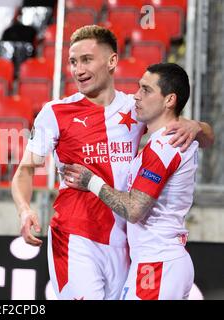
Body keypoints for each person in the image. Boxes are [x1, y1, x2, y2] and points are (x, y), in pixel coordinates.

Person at [11, 25, 214, 300]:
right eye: (73, 61)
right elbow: (25, 168)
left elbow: (202, 136)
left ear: (112, 61)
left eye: (86, 60)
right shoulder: (55, 113)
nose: (78, 69)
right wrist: (24, 210)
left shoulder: (137, 108)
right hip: (76, 238)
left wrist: (195, 125)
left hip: (124, 244)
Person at [63, 63, 197, 300]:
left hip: (157, 264)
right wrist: (199, 126)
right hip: (163, 261)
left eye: (146, 90)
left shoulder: (164, 146)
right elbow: (207, 137)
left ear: (169, 100)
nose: (136, 95)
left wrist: (90, 181)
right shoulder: (177, 137)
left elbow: (134, 209)